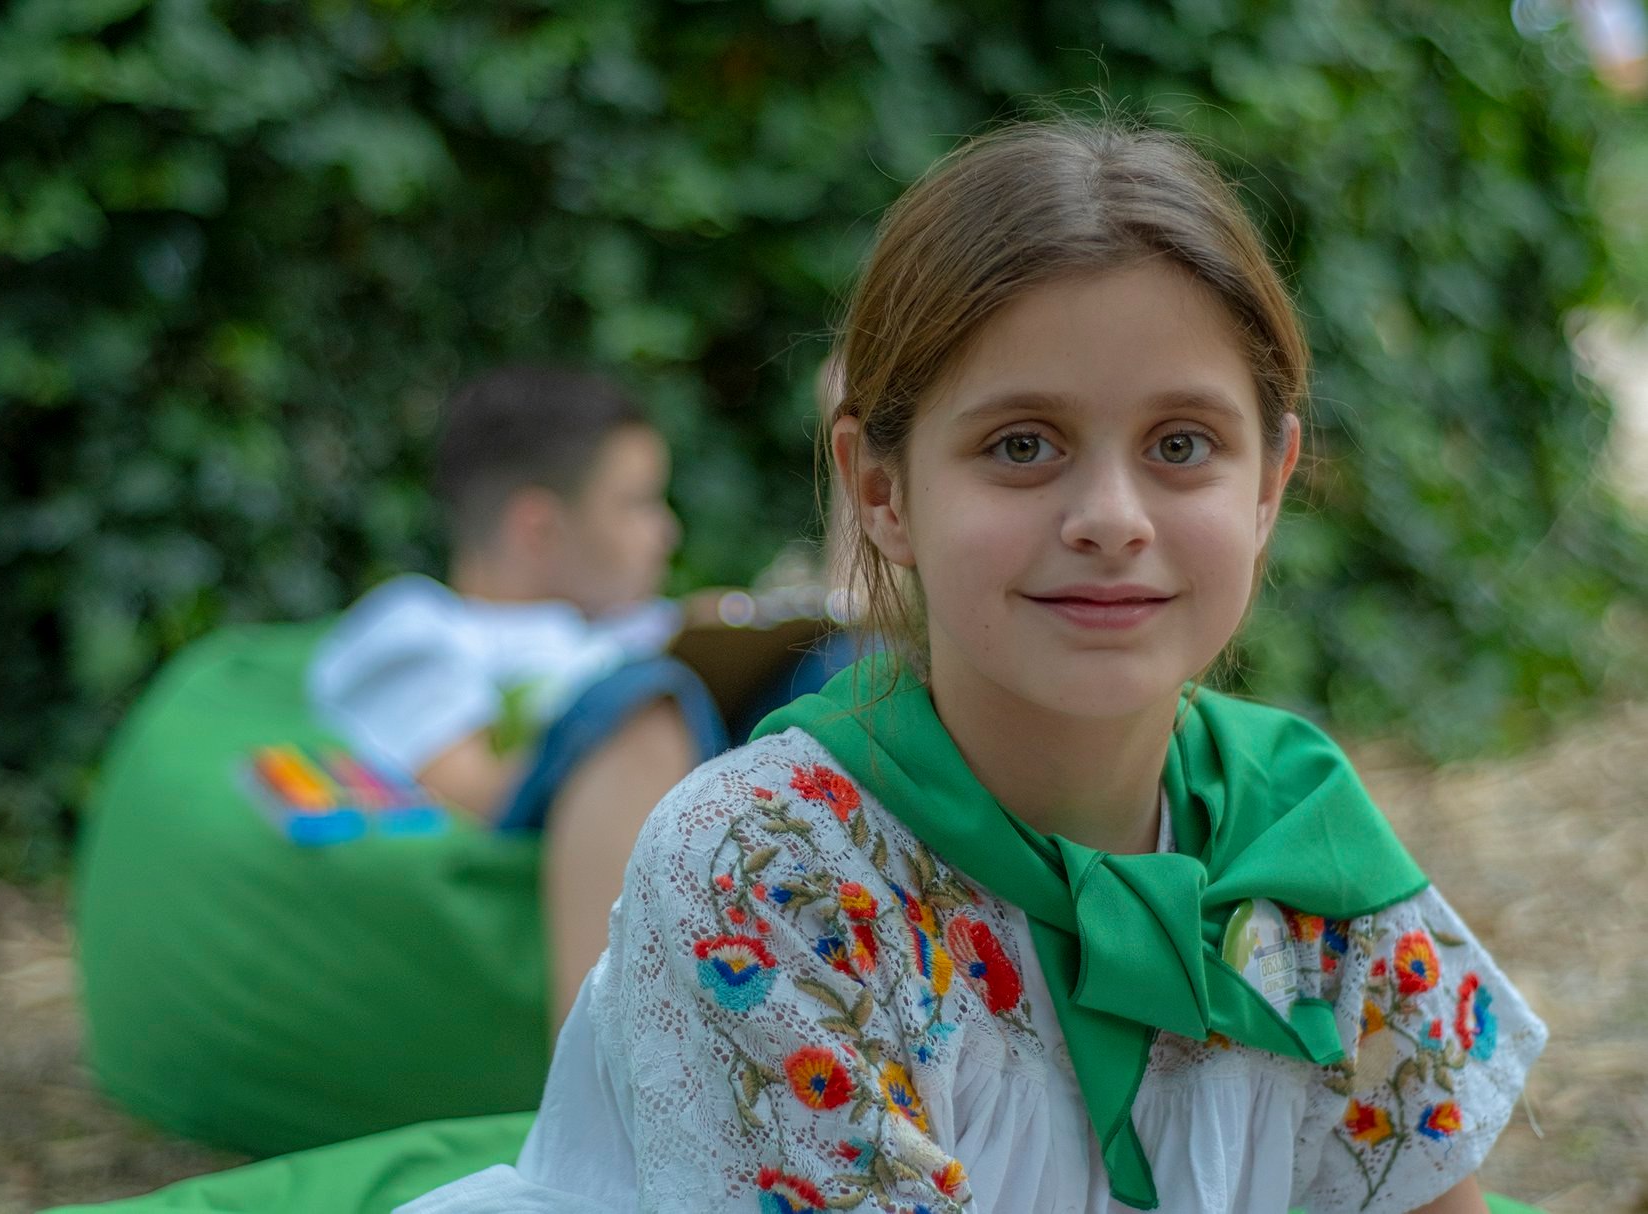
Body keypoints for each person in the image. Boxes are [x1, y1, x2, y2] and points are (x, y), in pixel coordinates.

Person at [398, 119, 1546, 1213]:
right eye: (1021, 444)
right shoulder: (766, 867)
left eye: (1180, 444)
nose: (1110, 517)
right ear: (881, 490)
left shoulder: (1303, 840)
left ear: (1267, 483)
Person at [311, 366, 727, 1028]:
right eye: (638, 504)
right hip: (591, 809)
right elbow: (471, 792)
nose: (667, 531)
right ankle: (611, 1064)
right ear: (539, 528)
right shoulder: (422, 627)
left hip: (710, 810)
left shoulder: (629, 623)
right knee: (640, 708)